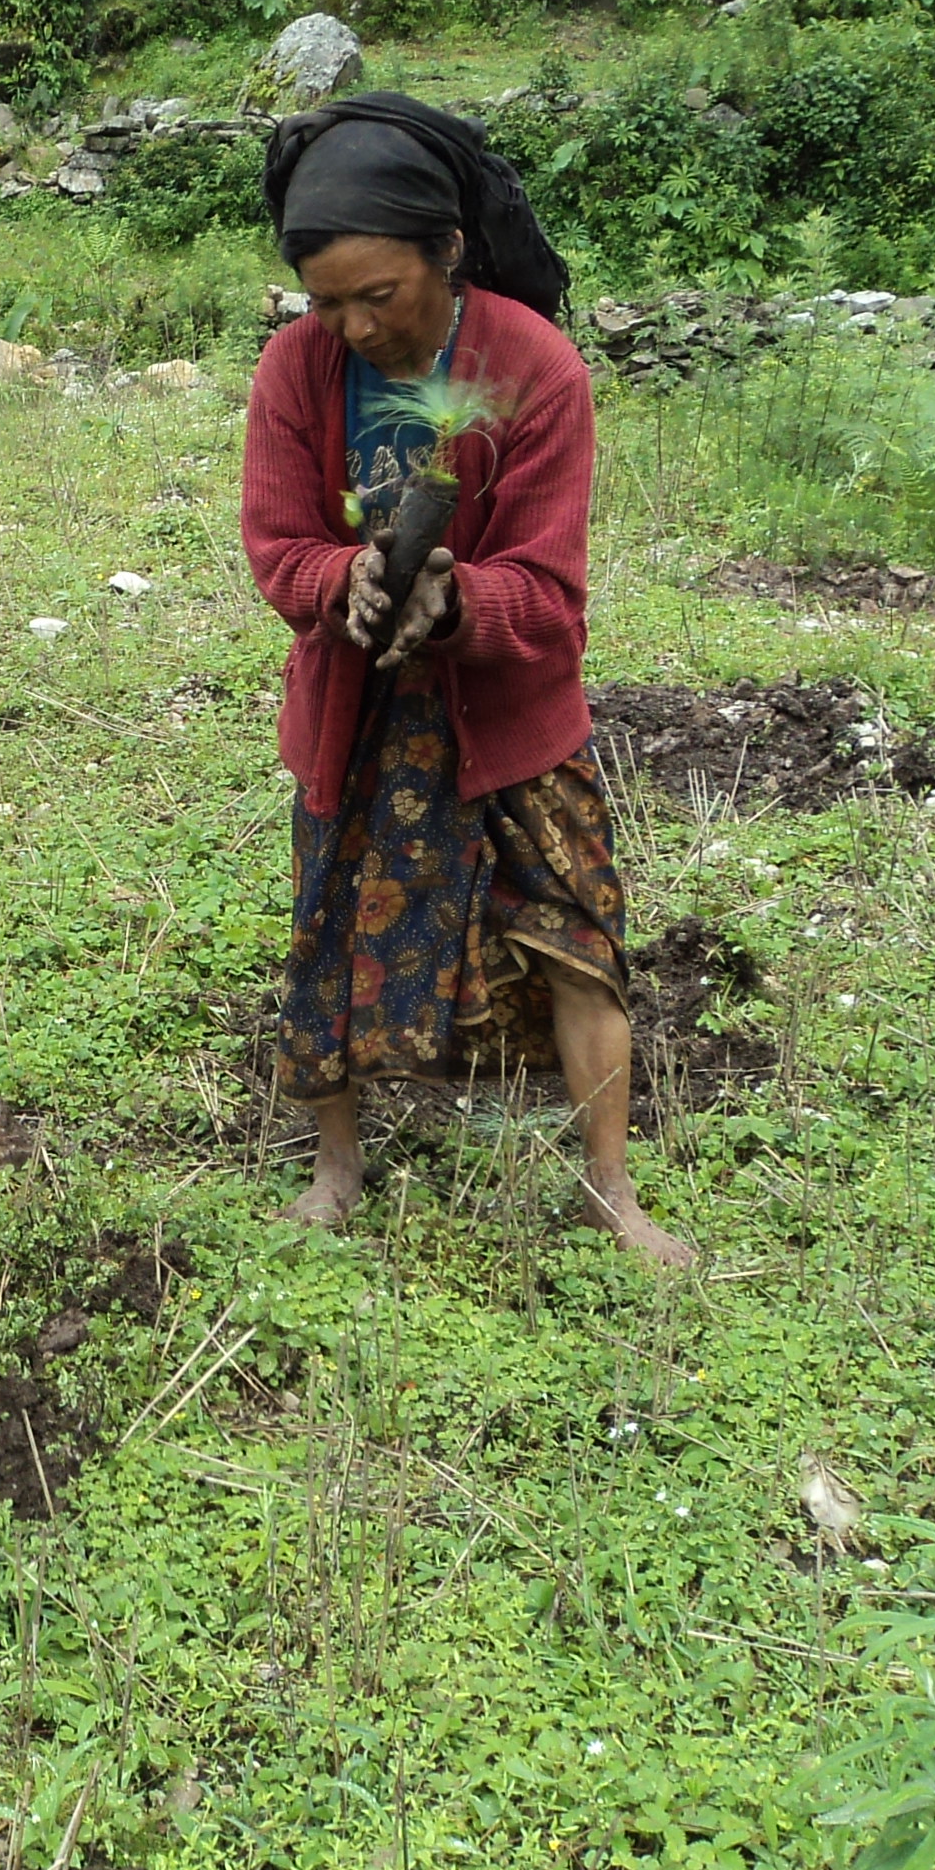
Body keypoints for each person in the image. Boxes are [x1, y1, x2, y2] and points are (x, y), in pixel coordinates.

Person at [238, 92, 693, 1267]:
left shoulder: (535, 368)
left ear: (447, 252)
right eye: (325, 302)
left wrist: (455, 603)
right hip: (353, 708)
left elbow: (548, 596)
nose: (351, 326)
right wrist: (346, 579)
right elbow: (278, 548)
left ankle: (611, 1191)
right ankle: (336, 1168)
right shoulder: (295, 370)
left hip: (508, 712)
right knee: (331, 927)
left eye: (378, 296)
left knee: (579, 935)